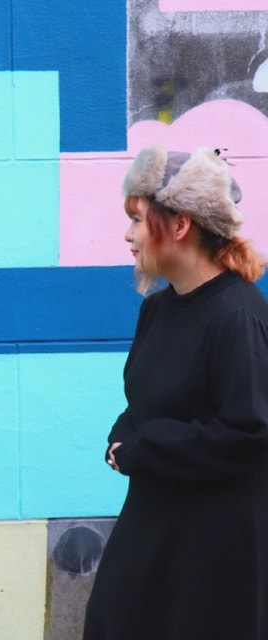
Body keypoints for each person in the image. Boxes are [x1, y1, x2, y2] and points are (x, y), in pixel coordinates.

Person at [83, 146, 268, 640]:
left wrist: (144, 446)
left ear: (180, 225)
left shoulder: (237, 316)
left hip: (212, 549)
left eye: (137, 220)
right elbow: (144, 399)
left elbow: (247, 435)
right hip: (153, 525)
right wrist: (121, 436)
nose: (128, 235)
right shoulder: (158, 309)